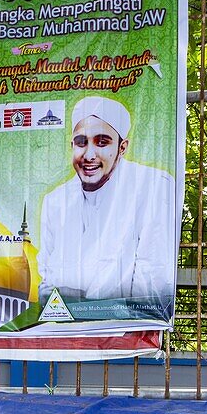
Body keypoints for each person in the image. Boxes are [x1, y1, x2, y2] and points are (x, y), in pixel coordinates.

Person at [37, 96, 177, 307]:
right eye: (81, 142)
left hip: (123, 331)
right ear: (72, 145)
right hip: (63, 329)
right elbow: (47, 281)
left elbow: (152, 277)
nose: (89, 155)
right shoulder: (55, 201)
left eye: (102, 142)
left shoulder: (152, 186)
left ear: (122, 147)